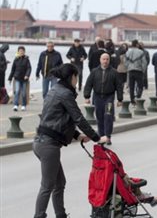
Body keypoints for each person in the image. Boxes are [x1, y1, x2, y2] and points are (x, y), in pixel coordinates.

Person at [33, 63, 108, 218]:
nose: (77, 80)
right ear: (72, 77)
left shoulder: (54, 90)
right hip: (48, 145)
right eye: (76, 77)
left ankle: (61, 215)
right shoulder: (65, 94)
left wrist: (77, 135)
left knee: (59, 183)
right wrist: (97, 138)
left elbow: (58, 119)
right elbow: (78, 118)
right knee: (47, 185)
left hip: (42, 142)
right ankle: (39, 216)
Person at [84, 53, 123, 145]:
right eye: (103, 59)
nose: (105, 61)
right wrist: (87, 96)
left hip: (109, 98)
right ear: (100, 60)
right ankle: (101, 137)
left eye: (107, 59)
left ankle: (108, 136)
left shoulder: (114, 72)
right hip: (97, 98)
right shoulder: (94, 71)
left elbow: (119, 86)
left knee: (108, 116)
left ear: (109, 60)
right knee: (100, 117)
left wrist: (120, 99)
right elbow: (89, 84)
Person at [8, 46, 31, 111]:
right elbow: (13, 69)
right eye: (20, 51)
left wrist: (27, 75)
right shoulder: (16, 59)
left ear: (24, 52)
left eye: (22, 51)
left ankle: (23, 105)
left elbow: (29, 68)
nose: (21, 52)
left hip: (24, 79)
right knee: (17, 91)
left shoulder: (27, 59)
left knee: (24, 93)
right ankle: (15, 105)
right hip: (17, 78)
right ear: (18, 52)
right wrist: (10, 78)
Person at [125, 39, 147, 105]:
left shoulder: (128, 52)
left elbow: (125, 62)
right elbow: (144, 63)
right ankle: (138, 97)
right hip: (139, 71)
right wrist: (143, 70)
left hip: (131, 71)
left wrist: (128, 68)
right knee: (140, 86)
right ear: (137, 44)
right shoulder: (141, 52)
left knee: (131, 87)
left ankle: (132, 100)